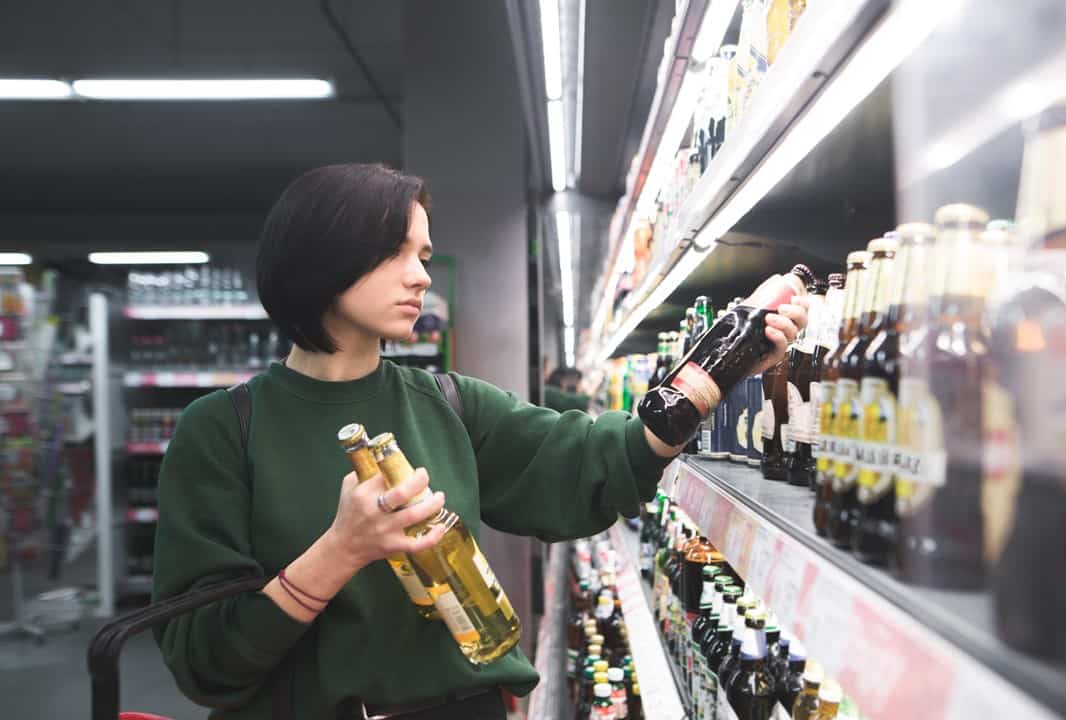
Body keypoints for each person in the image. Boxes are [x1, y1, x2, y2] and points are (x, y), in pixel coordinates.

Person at [151, 163, 807, 720]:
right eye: (396, 252)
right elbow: (203, 661)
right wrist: (339, 552)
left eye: (425, 257)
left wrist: (724, 360)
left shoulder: (450, 405)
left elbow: (593, 463)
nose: (421, 278)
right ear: (321, 254)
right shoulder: (223, 431)